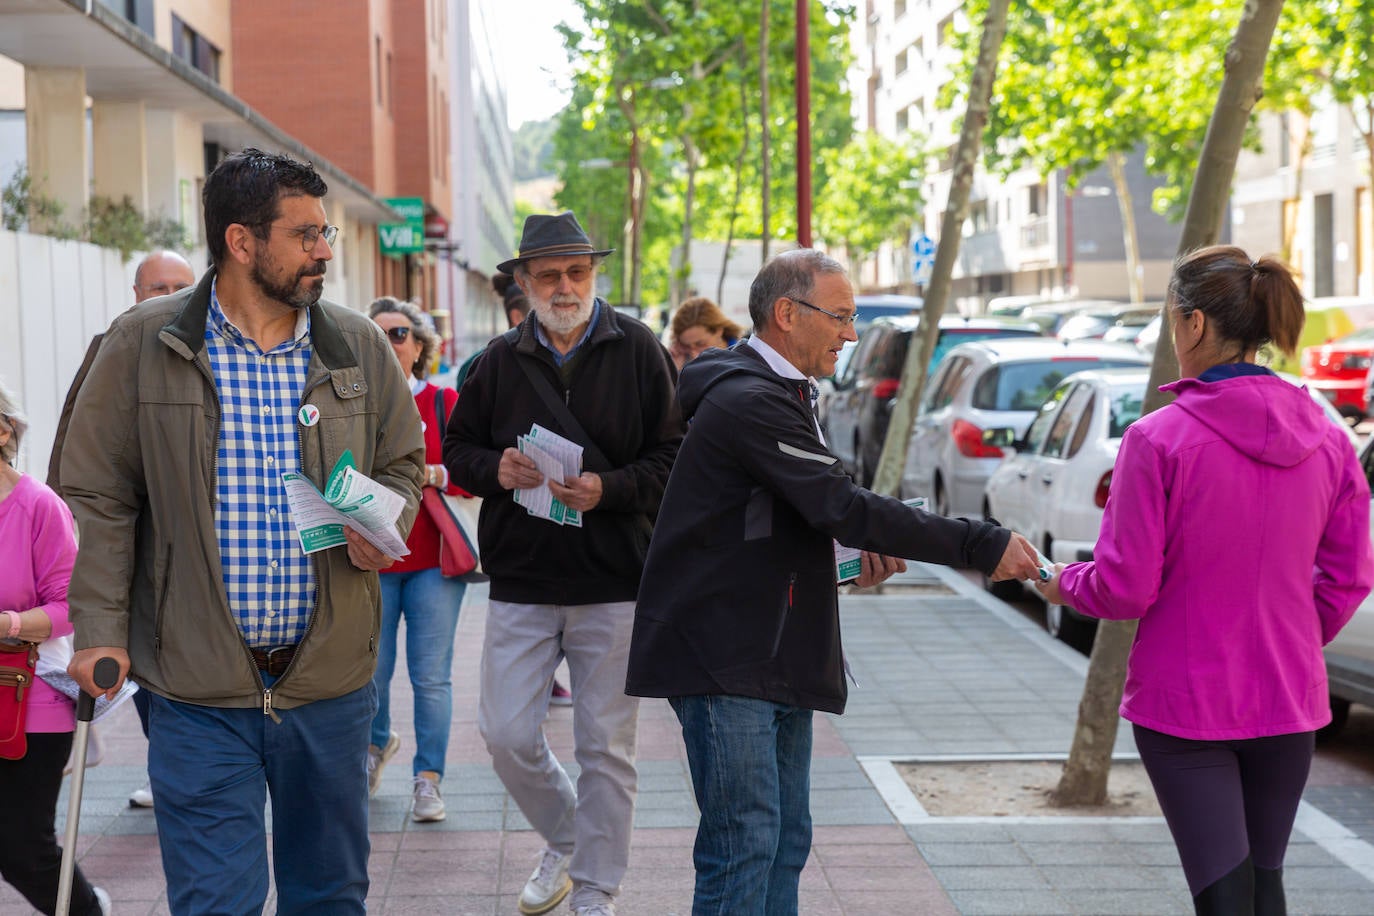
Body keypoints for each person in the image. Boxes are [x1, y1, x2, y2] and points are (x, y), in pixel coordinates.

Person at [61, 148, 425, 915]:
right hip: (195, 687)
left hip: (329, 683)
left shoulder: (357, 345)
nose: (325, 249)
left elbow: (403, 462)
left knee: (329, 896)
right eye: (306, 234)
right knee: (214, 901)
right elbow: (97, 495)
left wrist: (385, 518)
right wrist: (97, 628)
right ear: (241, 241)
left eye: (325, 233)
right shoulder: (141, 343)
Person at [626, 247, 1041, 916]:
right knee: (744, 846)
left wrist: (845, 556)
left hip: (775, 648)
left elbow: (791, 518)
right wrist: (978, 542)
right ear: (787, 314)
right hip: (726, 656)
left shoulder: (778, 393)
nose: (852, 334)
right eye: (842, 316)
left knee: (785, 841)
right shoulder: (747, 400)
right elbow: (839, 505)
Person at [1037, 245, 1374, 916]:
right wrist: (1300, 638)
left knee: (1224, 894)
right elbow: (1350, 574)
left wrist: (1055, 580)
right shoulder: (1330, 438)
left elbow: (1123, 587)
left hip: (1186, 706)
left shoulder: (1157, 439)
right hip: (1288, 698)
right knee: (1264, 887)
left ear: (1192, 325)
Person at [443, 211, 683, 916]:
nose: (566, 285)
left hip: (614, 579)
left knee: (606, 748)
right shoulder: (495, 362)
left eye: (577, 271)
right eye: (549, 274)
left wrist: (609, 489)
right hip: (521, 577)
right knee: (506, 733)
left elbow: (673, 460)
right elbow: (458, 450)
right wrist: (498, 468)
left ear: (593, 274)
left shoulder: (640, 350)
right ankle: (571, 838)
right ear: (523, 282)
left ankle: (597, 890)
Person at [0, 382, 109, 916]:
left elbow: (72, 605)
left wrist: (10, 623)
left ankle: (88, 911)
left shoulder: (39, 506)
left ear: (3, 431)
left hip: (30, 699)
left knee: (22, 848)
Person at [364, 296, 468, 821]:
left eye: (400, 333)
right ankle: (373, 748)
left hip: (434, 562)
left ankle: (428, 778)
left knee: (431, 676)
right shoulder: (353, 405)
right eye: (377, 333)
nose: (388, 342)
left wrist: (435, 473)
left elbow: (475, 472)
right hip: (371, 560)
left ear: (420, 345)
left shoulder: (444, 401)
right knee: (370, 672)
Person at [668, 296, 744, 370]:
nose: (694, 356)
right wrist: (673, 370)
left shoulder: (743, 357)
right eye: (687, 346)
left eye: (700, 344)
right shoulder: (682, 362)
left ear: (718, 331)